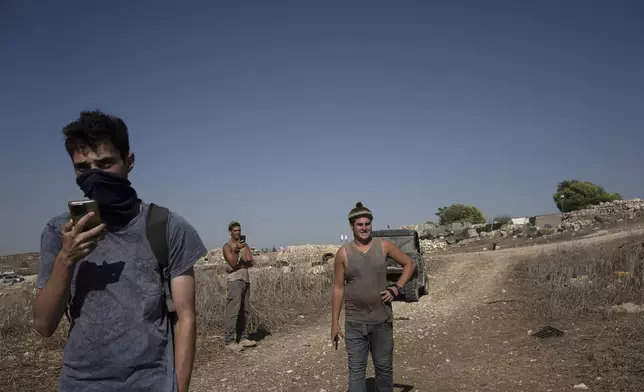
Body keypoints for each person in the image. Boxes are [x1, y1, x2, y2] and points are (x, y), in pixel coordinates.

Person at [33, 110, 207, 392]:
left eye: (105, 163)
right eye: (83, 168)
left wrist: (179, 387)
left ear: (129, 162)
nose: (94, 175)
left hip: (152, 383)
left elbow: (186, 317)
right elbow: (43, 325)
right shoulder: (58, 233)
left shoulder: (166, 227)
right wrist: (67, 258)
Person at [331, 202, 416, 392]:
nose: (364, 227)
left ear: (371, 224)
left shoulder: (384, 246)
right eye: (359, 224)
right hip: (354, 323)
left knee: (384, 370)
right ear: (352, 226)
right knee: (356, 372)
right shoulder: (343, 254)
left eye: (367, 223)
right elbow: (338, 288)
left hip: (382, 321)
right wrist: (334, 322)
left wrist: (396, 288)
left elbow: (409, 264)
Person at [221, 221, 257, 351]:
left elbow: (250, 262)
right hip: (235, 280)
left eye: (239, 230)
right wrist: (236, 250)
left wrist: (243, 251)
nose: (238, 233)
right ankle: (229, 341)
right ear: (230, 231)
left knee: (245, 310)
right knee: (233, 311)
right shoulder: (227, 246)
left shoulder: (244, 245)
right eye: (235, 230)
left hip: (245, 278)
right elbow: (233, 261)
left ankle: (242, 337)